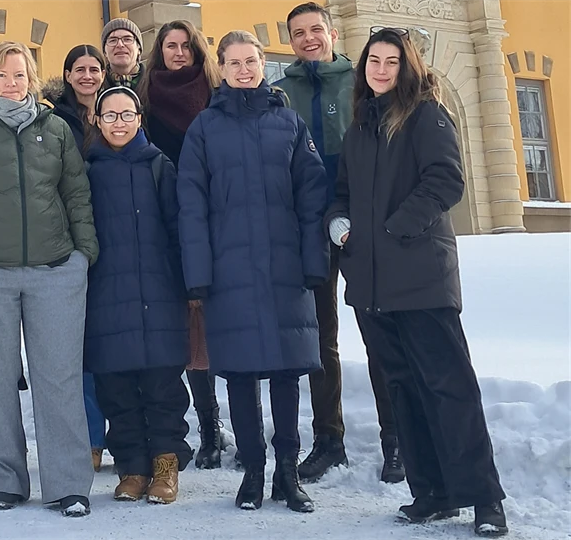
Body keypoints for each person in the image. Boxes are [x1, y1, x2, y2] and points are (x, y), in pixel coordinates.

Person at [326, 26, 508, 536]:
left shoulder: (426, 113)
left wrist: (396, 226)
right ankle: (431, 493)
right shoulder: (361, 124)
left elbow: (446, 179)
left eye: (392, 62)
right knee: (403, 390)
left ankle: (485, 500)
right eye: (373, 62)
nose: (381, 70)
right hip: (371, 286)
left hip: (421, 279)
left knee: (449, 389)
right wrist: (338, 223)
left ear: (408, 67)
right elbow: (342, 191)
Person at [0, 41, 99, 517]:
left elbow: (76, 195)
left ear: (32, 80)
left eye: (21, 75)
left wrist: (82, 255)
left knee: (60, 380)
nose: (13, 83)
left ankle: (68, 485)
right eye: (3, 75)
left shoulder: (55, 129)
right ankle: (6, 481)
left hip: (55, 272)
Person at [177, 30, 328, 513]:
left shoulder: (289, 123)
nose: (244, 69)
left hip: (285, 269)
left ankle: (287, 471)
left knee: (287, 372)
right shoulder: (204, 128)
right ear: (220, 68)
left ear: (264, 64)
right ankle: (254, 472)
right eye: (234, 62)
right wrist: (197, 273)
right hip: (229, 271)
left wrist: (313, 261)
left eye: (251, 61)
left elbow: (311, 197)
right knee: (239, 373)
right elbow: (191, 206)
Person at [275, 2, 402, 484]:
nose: (308, 38)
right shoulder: (280, 92)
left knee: (378, 331)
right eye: (298, 33)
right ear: (291, 40)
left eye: (315, 30)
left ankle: (397, 437)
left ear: (330, 33)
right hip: (310, 229)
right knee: (319, 338)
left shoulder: (362, 82)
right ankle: (329, 439)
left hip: (362, 226)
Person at [84, 86, 192, 504]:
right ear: (96, 121)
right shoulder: (86, 171)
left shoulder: (159, 166)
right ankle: (132, 466)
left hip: (158, 292)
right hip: (106, 296)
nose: (119, 123)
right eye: (109, 115)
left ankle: (166, 467)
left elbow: (178, 229)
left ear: (139, 117)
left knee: (162, 386)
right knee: (117, 387)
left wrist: (186, 284)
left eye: (126, 114)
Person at [138, 19, 226, 469]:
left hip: (211, 218)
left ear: (197, 51)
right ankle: (186, 426)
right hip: (161, 219)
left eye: (185, 46)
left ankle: (213, 423)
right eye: (170, 46)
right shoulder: (146, 98)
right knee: (181, 324)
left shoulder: (215, 94)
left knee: (208, 323)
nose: (177, 52)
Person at [41, 44, 109, 471]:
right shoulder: (53, 119)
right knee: (78, 349)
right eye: (79, 69)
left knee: (110, 345)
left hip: (116, 236)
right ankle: (88, 438)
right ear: (67, 75)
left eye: (94, 68)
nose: (87, 76)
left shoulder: (119, 109)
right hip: (70, 240)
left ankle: (120, 434)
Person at [101, 18, 144, 90]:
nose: (120, 45)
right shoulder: (96, 87)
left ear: (139, 49)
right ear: (105, 52)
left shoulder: (155, 83)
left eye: (127, 39)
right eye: (113, 40)